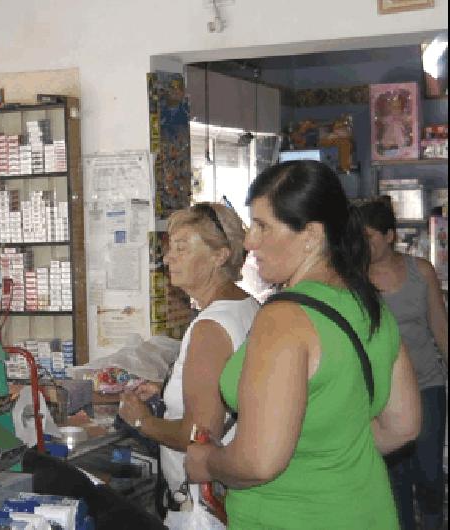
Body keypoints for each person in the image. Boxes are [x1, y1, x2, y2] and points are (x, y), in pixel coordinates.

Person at [185, 160, 422, 529]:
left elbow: (259, 462)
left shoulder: (284, 319)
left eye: (263, 226)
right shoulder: (368, 304)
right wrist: (326, 458)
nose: (249, 241)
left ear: (310, 235)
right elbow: (403, 426)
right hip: (366, 510)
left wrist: (207, 461)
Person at [117, 202, 258, 527]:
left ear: (219, 256)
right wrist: (169, 392)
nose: (168, 258)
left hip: (201, 505)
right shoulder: (246, 306)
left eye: (181, 248)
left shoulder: (211, 326)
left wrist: (141, 421)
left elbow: (199, 433)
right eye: (170, 248)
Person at [360, 197, 448, 530]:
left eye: (368, 237)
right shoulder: (354, 278)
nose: (362, 244)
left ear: (389, 235)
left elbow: (440, 327)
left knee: (428, 472)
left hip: (427, 384)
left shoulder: (419, 271)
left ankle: (434, 520)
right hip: (379, 393)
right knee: (394, 478)